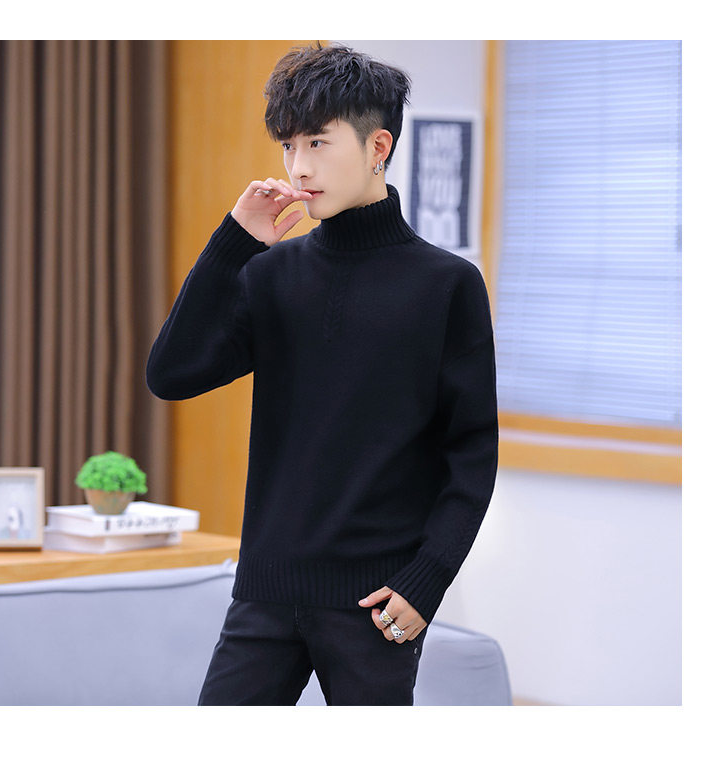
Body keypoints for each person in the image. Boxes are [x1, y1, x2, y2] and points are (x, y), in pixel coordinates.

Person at [146, 41, 499, 706]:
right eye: (288, 146)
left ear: (377, 146)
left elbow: (472, 455)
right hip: (265, 593)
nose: (298, 166)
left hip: (376, 603)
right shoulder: (270, 272)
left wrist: (427, 581)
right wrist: (232, 243)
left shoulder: (446, 285)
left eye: (317, 142)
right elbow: (171, 373)